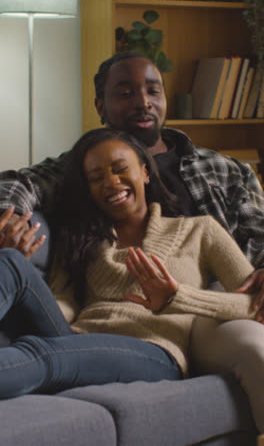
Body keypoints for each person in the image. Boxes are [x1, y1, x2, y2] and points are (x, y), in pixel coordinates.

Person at [0, 127, 264, 434]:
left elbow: (253, 305)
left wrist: (176, 298)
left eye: (120, 169)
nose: (111, 182)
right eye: (96, 177)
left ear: (145, 172)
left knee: (42, 354)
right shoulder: (81, 237)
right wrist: (32, 275)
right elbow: (66, 303)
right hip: (79, 342)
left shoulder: (201, 230)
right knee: (12, 262)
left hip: (151, 352)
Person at [0, 52, 264, 310]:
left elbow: (259, 235)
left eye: (153, 91)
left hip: (221, 301)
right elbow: (18, 182)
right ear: (100, 106)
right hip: (123, 310)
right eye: (126, 94)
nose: (143, 102)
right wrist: (9, 216)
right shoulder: (82, 165)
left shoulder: (225, 170)